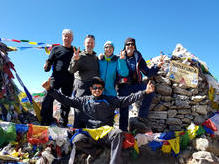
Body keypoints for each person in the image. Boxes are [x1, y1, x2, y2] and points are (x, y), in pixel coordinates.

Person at [42, 76, 155, 164]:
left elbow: (126, 100)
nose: (97, 90)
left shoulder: (109, 100)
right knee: (76, 139)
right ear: (91, 89)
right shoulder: (83, 101)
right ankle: (97, 153)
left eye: (100, 88)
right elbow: (66, 100)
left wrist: (145, 92)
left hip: (106, 133)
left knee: (118, 133)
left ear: (103, 89)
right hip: (91, 133)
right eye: (95, 88)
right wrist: (50, 90)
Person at [118, 37, 164, 131]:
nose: (130, 46)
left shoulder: (138, 58)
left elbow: (147, 72)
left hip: (136, 85)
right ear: (125, 46)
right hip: (124, 86)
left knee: (150, 91)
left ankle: (142, 116)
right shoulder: (119, 57)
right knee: (124, 106)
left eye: (132, 44)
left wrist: (157, 67)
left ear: (135, 46)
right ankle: (123, 130)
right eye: (128, 44)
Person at [40, 29, 74, 126]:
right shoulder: (56, 49)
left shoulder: (75, 50)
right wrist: (47, 65)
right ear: (62, 37)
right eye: (65, 36)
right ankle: (45, 120)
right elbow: (49, 60)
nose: (67, 38)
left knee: (66, 101)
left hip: (69, 80)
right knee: (48, 98)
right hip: (55, 78)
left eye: (69, 36)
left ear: (72, 39)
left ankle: (63, 123)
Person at [68, 34, 99, 128]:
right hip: (81, 87)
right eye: (88, 42)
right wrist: (75, 60)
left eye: (91, 43)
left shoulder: (96, 57)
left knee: (90, 113)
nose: (90, 44)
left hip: (93, 89)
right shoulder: (79, 55)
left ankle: (87, 138)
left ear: (94, 44)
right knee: (79, 112)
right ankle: (77, 137)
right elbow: (71, 70)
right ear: (84, 44)